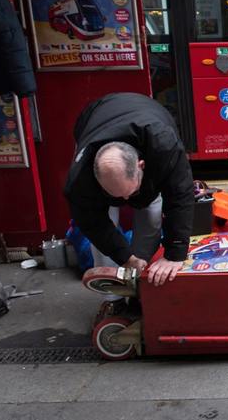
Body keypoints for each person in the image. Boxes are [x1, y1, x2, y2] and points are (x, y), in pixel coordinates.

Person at [64, 93, 194, 315]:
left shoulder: (163, 146)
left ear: (142, 166)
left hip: (149, 120)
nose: (126, 201)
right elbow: (94, 224)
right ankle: (112, 296)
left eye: (129, 192)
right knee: (103, 231)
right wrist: (124, 256)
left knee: (151, 214)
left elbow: (180, 197)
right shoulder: (79, 180)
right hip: (95, 118)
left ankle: (141, 283)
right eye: (115, 195)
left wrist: (175, 253)